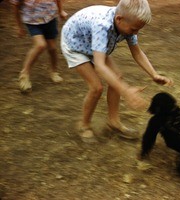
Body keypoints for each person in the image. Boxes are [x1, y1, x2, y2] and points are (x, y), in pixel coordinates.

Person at [60, 0, 173, 143]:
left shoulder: (127, 20)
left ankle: (113, 122)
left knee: (117, 77)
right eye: (133, 30)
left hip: (93, 43)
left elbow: (137, 52)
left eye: (138, 29)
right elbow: (100, 67)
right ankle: (84, 125)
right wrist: (126, 91)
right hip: (75, 44)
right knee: (96, 87)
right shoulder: (102, 25)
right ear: (119, 19)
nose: (136, 33)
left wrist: (153, 74)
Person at [11, 0, 68, 93]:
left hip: (50, 18)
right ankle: (24, 74)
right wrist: (19, 27)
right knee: (40, 45)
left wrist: (60, 11)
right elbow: (16, 7)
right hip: (32, 22)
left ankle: (54, 72)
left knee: (52, 48)